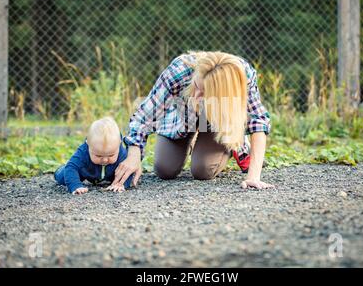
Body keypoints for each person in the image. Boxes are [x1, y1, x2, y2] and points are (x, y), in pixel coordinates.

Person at [107, 51, 274, 191]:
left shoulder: (243, 76)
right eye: (196, 86)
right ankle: (192, 140)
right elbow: (144, 116)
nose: (196, 96)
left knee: (203, 171)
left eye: (204, 93)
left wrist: (254, 176)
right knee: (165, 170)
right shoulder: (179, 70)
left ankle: (235, 143)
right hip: (182, 119)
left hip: (215, 122)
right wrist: (133, 155)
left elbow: (258, 120)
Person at [54, 117, 132, 194]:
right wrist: (76, 186)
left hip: (112, 172)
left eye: (111, 155)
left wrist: (122, 184)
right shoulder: (83, 152)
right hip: (86, 171)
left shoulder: (121, 152)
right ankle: (60, 170)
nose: (105, 160)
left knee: (123, 170)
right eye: (98, 156)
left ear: (119, 143)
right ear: (88, 144)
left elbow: (128, 170)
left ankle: (113, 179)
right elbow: (72, 167)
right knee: (64, 176)